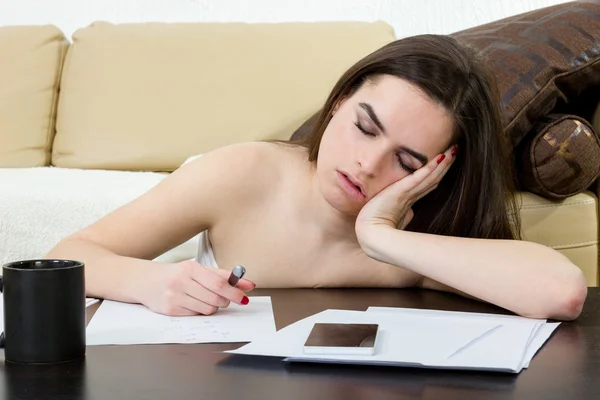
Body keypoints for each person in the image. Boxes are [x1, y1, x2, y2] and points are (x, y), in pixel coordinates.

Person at [46, 34, 587, 321]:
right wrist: (149, 283)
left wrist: (381, 237)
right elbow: (66, 256)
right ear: (338, 104)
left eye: (407, 162)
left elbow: (561, 294)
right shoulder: (243, 173)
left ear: (437, 173)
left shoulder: (420, 232)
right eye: (364, 127)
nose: (368, 165)